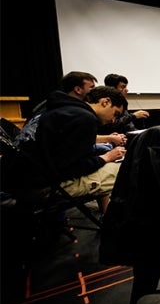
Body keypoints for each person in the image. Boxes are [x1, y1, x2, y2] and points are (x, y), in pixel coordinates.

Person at [11, 85, 128, 215]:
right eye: (115, 114)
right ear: (105, 102)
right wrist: (107, 157)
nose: (113, 120)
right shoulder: (85, 119)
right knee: (127, 169)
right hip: (41, 188)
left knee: (104, 158)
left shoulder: (52, 108)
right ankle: (120, 221)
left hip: (18, 182)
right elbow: (74, 168)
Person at [14, 71, 126, 151]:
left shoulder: (55, 104)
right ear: (78, 89)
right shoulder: (79, 115)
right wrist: (106, 157)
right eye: (91, 87)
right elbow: (74, 163)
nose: (95, 90)